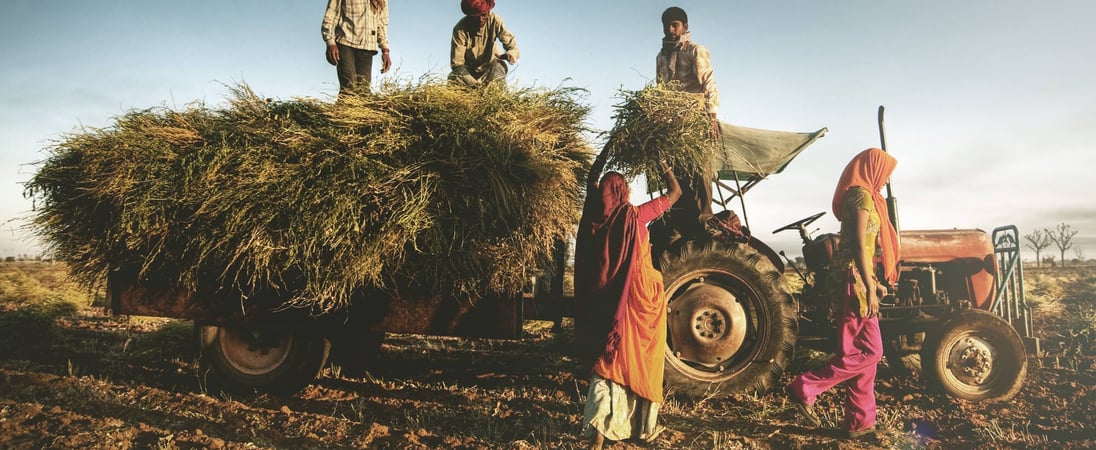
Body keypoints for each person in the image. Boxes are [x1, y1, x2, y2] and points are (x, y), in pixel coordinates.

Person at [788, 148, 899, 439]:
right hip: (853, 280)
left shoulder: (866, 195)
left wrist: (875, 281)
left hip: (857, 277)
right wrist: (870, 286)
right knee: (872, 351)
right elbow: (860, 246)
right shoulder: (861, 195)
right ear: (873, 168)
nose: (886, 181)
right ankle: (806, 386)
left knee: (862, 356)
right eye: (886, 173)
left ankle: (860, 422)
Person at [574, 148, 682, 449]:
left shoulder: (595, 213)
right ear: (623, 192)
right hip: (641, 299)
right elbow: (676, 192)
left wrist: (609, 148)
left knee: (608, 358)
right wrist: (662, 161)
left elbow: (592, 180)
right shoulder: (636, 215)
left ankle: (598, 425)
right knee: (642, 358)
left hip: (608, 301)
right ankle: (641, 428)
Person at [655, 6, 719, 241]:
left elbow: (709, 84)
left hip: (696, 119)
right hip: (673, 124)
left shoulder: (695, 51)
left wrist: (711, 118)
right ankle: (679, 222)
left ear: (684, 27)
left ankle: (705, 219)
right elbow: (660, 92)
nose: (671, 30)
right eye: (667, 26)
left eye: (675, 25)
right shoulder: (661, 57)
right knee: (676, 172)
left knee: (700, 169)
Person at [321, 0, 392, 93]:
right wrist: (330, 42)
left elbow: (381, 25)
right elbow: (331, 15)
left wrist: (385, 50)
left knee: (364, 90)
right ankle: (344, 105)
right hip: (345, 43)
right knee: (349, 85)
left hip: (367, 48)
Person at [449, 0, 520, 87]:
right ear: (470, 15)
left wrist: (511, 54)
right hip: (468, 75)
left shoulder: (495, 20)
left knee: (499, 66)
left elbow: (512, 46)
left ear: (488, 12)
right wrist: (475, 85)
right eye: (476, 16)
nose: (480, 19)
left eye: (484, 15)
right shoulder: (460, 29)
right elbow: (457, 64)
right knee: (454, 76)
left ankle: (493, 95)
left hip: (490, 71)